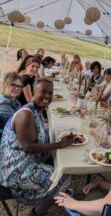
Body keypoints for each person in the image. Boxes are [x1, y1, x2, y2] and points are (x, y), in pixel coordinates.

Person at [0, 78, 74, 216]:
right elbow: (28, 147)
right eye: (43, 92)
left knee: (59, 165)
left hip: (24, 162)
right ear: (34, 92)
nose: (47, 96)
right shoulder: (26, 115)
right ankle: (36, 213)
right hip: (14, 171)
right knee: (64, 178)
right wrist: (59, 144)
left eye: (50, 93)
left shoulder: (36, 110)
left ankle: (49, 196)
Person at [0, 72, 22, 141]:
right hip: (7, 140)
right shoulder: (3, 103)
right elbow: (18, 124)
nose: (17, 88)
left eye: (19, 86)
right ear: (6, 85)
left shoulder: (12, 99)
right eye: (13, 85)